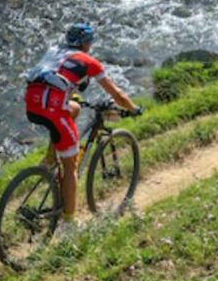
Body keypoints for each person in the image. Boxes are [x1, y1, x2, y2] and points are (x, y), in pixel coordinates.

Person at [23, 22, 140, 231]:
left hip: (32, 103)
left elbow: (56, 76)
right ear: (86, 44)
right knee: (70, 166)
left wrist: (69, 95)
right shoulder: (89, 61)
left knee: (74, 107)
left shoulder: (53, 50)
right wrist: (133, 108)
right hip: (53, 108)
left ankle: (50, 158)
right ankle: (69, 224)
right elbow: (117, 95)